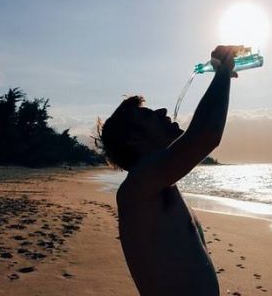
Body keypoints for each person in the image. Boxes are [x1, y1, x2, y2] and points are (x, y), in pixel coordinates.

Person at [96, 46, 241, 296]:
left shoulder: (160, 184)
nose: (162, 111)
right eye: (148, 115)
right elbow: (206, 134)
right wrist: (222, 72)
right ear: (133, 138)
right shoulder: (137, 188)